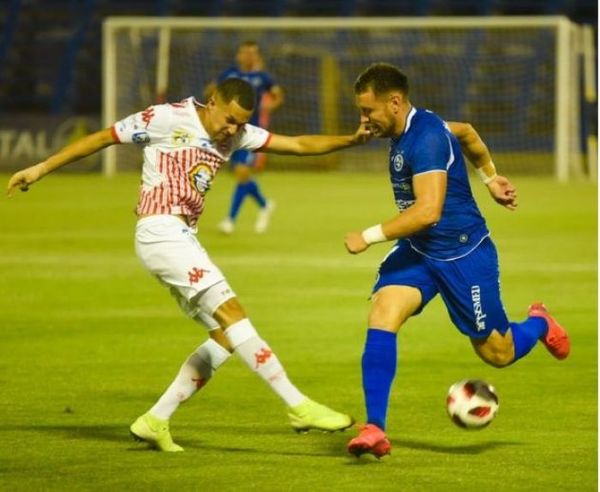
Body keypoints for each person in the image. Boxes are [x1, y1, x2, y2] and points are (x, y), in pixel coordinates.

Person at [7, 78, 371, 452]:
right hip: (160, 229)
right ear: (212, 102)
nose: (232, 130)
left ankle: (155, 420)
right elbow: (103, 138)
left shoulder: (236, 133)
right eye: (228, 119)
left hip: (181, 236)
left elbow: (296, 145)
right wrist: (41, 168)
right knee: (234, 313)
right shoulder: (166, 118)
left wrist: (351, 140)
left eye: (239, 124)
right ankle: (297, 405)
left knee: (226, 335)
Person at [342, 63, 570, 458]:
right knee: (383, 314)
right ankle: (375, 428)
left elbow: (428, 210)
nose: (364, 120)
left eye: (369, 111)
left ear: (394, 103)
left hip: (463, 255)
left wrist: (368, 236)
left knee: (497, 353)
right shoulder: (417, 128)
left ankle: (539, 322)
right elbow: (466, 132)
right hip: (420, 250)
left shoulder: (426, 138)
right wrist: (490, 177)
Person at [206, 41, 284, 235]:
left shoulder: (262, 77)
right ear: (239, 55)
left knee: (242, 172)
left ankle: (230, 220)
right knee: (242, 175)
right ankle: (265, 205)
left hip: (250, 133)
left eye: (252, 53)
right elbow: (212, 90)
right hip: (229, 131)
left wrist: (270, 106)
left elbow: (278, 95)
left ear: (257, 57)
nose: (248, 56)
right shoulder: (229, 74)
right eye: (245, 53)